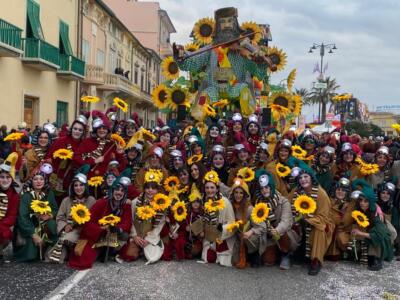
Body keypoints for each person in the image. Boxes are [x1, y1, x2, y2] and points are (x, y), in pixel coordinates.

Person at [68, 176, 132, 269]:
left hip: (114, 234)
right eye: (117, 189)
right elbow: (89, 221)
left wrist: (117, 228)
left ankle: (111, 251)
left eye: (122, 191)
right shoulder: (101, 203)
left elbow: (127, 223)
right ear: (112, 190)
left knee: (125, 235)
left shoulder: (126, 206)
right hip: (97, 235)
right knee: (84, 258)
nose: (119, 193)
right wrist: (100, 229)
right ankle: (102, 251)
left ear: (125, 193)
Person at [289, 167, 335, 275]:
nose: (303, 179)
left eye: (306, 177)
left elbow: (323, 217)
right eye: (300, 177)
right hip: (301, 222)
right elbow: (286, 201)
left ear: (311, 178)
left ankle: (316, 260)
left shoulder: (320, 193)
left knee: (319, 229)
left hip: (320, 223)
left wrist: (309, 220)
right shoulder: (297, 190)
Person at [254, 170, 299, 269]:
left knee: (282, 235)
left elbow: (286, 221)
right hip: (269, 235)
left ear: (271, 187)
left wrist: (277, 230)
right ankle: (273, 251)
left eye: (267, 187)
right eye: (262, 188)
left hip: (283, 233)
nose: (264, 190)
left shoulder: (283, 201)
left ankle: (286, 254)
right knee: (268, 261)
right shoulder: (258, 203)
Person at [47, 170, 96, 263]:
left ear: (85, 187)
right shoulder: (66, 200)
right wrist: (65, 226)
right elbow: (59, 217)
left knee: (69, 241)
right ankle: (69, 251)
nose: (78, 188)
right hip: (69, 230)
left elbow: (94, 219)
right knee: (52, 257)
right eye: (76, 185)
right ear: (72, 188)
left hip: (84, 231)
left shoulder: (91, 200)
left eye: (81, 185)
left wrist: (84, 225)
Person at [119, 170, 166, 264]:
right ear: (144, 189)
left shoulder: (161, 204)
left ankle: (150, 247)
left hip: (150, 236)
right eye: (148, 187)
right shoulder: (135, 202)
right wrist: (135, 236)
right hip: (137, 235)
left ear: (158, 190)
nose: (150, 190)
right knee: (129, 255)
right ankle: (137, 248)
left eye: (153, 188)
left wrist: (148, 239)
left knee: (152, 258)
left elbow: (160, 224)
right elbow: (131, 220)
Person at [14, 166, 58, 262]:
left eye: (41, 179)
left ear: (44, 181)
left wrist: (49, 215)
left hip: (44, 224)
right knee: (31, 256)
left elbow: (55, 209)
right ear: (31, 181)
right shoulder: (26, 195)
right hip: (30, 227)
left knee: (52, 224)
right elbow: (23, 217)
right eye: (35, 179)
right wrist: (34, 235)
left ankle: (48, 247)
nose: (39, 182)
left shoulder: (49, 193)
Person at [349, 181, 394, 271]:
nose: (363, 203)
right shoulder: (357, 208)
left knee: (374, 234)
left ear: (370, 202)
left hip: (380, 238)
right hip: (364, 235)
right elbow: (355, 182)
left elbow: (379, 234)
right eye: (361, 200)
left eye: (366, 201)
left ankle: (377, 260)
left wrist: (361, 233)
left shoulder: (376, 214)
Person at [201, 170, 235, 266]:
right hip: (209, 238)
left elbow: (232, 224)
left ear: (217, 189)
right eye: (207, 187)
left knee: (223, 261)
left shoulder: (225, 202)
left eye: (212, 187)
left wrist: (221, 230)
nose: (209, 190)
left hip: (223, 237)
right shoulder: (203, 201)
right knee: (208, 258)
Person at [229, 178, 265, 268]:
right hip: (238, 236)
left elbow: (262, 226)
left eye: (241, 193)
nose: (238, 195)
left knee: (249, 238)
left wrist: (251, 231)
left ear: (245, 195)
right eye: (236, 192)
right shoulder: (231, 206)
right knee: (234, 261)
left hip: (250, 237)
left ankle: (254, 254)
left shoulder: (249, 209)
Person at [326, 178, 355, 260]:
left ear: (347, 192)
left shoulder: (350, 204)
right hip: (330, 228)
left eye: (343, 190)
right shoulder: (328, 200)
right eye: (338, 189)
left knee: (341, 238)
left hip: (342, 231)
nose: (340, 192)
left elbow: (346, 222)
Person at [0, 153, 20, 261]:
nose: (5, 180)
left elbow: (12, 217)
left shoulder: (14, 195)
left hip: (2, 226)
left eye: (8, 177)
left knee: (6, 234)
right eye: (2, 177)